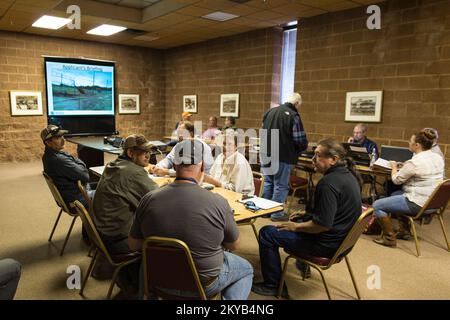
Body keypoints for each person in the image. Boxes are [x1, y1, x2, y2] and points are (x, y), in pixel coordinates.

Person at [129, 139, 254, 299]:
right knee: (246, 269)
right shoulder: (218, 202)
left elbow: (134, 244)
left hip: (157, 279)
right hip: (203, 284)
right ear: (202, 166)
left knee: (145, 262)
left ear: (173, 166)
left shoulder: (148, 199)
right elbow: (234, 245)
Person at [251, 138, 362, 297]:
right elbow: (336, 210)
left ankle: (273, 285)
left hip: (326, 244)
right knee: (298, 219)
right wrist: (307, 215)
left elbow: (322, 225)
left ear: (333, 160)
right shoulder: (349, 175)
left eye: (318, 155)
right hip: (342, 242)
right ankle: (301, 265)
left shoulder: (328, 183)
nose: (313, 159)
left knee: (267, 233)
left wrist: (295, 227)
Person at [372, 129, 445, 247]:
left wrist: (394, 166)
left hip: (418, 204)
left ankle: (389, 238)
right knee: (395, 194)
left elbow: (396, 180)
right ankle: (404, 231)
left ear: (417, 145)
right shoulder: (437, 158)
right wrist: (406, 165)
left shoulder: (414, 162)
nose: (408, 143)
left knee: (377, 205)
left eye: (410, 141)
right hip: (433, 202)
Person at [92, 134, 159, 254]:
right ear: (130, 153)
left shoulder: (113, 165)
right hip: (117, 240)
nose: (148, 155)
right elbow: (159, 199)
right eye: (143, 152)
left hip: (102, 234)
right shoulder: (134, 173)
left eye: (148, 151)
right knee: (165, 227)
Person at [259, 92, 308, 221]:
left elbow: (262, 130)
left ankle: (264, 211)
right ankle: (276, 214)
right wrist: (304, 147)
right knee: (280, 185)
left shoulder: (270, 111)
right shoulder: (293, 115)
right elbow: (299, 138)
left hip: (266, 152)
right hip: (282, 155)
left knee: (268, 182)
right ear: (296, 104)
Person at [41, 124, 95, 210]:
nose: (63, 140)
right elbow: (85, 175)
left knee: (105, 183)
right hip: (78, 200)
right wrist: (80, 162)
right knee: (113, 194)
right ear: (48, 142)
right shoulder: (59, 159)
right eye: (58, 138)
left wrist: (76, 161)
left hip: (71, 194)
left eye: (62, 136)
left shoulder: (49, 155)